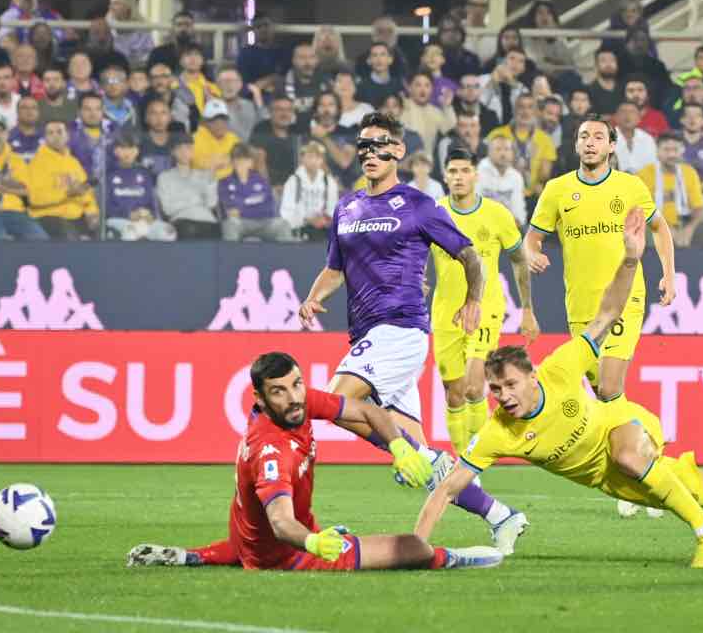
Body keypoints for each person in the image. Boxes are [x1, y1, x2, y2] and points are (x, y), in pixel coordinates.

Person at [425, 207, 703, 569]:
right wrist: (417, 543)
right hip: (612, 480)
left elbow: (606, 314)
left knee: (627, 452)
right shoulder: (499, 432)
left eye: (507, 385)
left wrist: (631, 258)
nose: (500, 396)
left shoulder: (561, 368)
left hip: (625, 426)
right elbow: (448, 488)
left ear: (532, 376)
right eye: (495, 389)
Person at [298, 112, 528, 554]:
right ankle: (501, 515)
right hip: (367, 331)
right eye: (362, 145)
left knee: (334, 398)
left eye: (379, 144)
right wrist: (313, 297)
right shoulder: (346, 207)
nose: (369, 153)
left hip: (400, 327)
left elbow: (469, 255)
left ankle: (312, 514)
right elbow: (335, 269)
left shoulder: (420, 205)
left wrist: (473, 300)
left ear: (398, 151)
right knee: (422, 458)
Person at [126, 351, 503, 572]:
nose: (293, 398)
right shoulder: (270, 450)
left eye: (296, 384)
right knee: (410, 547)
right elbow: (280, 522)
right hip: (287, 553)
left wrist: (399, 446)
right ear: (258, 398)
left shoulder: (299, 405)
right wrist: (312, 543)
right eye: (279, 392)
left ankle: (194, 557)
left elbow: (367, 411)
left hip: (248, 540)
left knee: (263, 537)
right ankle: (450, 558)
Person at [525, 113, 677, 409]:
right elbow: (532, 237)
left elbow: (660, 227)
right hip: (581, 303)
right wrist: (533, 253)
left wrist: (668, 274)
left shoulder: (630, 186)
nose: (590, 143)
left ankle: (640, 448)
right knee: (601, 394)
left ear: (611, 147)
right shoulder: (557, 189)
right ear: (576, 145)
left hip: (624, 300)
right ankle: (629, 446)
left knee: (609, 387)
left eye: (598, 137)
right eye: (584, 137)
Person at [431, 147, 538, 456]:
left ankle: (472, 463)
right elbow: (411, 254)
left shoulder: (497, 214)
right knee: (454, 395)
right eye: (453, 171)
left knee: (474, 387)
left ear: (476, 175)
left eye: (465, 171)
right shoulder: (435, 214)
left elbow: (519, 260)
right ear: (445, 176)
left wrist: (527, 309)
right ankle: (462, 459)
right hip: (445, 313)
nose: (459, 177)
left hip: (485, 309)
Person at [27, 119, 98, 240]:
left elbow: (87, 193)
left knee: (104, 230)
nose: (56, 136)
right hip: (49, 216)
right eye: (51, 133)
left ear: (67, 136)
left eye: (59, 132)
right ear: (45, 138)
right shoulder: (37, 163)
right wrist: (66, 194)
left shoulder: (73, 162)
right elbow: (34, 198)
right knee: (68, 235)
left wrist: (91, 211)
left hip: (76, 215)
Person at [637, 132, 703, 248]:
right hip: (654, 224)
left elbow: (698, 207)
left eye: (675, 149)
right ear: (657, 152)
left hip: (684, 222)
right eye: (666, 150)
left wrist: (689, 229)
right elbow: (642, 210)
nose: (671, 154)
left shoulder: (689, 172)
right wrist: (667, 229)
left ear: (681, 151)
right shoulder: (644, 174)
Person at [104, 133, 176, 241]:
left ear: (137, 151)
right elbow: (106, 208)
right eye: (123, 148)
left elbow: (152, 204)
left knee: (168, 232)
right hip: (119, 220)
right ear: (115, 151)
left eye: (132, 148)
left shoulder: (145, 174)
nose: (128, 152)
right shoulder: (108, 175)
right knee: (131, 233)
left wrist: (150, 215)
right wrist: (128, 215)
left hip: (143, 220)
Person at [220, 143, 291, 242]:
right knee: (230, 224)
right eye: (237, 159)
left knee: (282, 224)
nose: (241, 163)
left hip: (264, 221)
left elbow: (269, 208)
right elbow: (231, 211)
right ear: (232, 161)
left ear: (251, 162)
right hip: (241, 223)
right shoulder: (225, 182)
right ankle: (231, 256)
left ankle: (285, 257)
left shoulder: (260, 180)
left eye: (245, 159)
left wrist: (243, 205)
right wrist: (254, 204)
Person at [157, 137, 220, 239]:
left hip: (207, 220)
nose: (184, 152)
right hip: (182, 220)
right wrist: (195, 201)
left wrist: (211, 179)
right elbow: (167, 209)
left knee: (217, 231)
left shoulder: (204, 175)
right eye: (179, 149)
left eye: (188, 148)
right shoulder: (164, 177)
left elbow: (211, 204)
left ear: (193, 151)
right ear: (173, 152)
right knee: (189, 229)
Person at [279, 139, 339, 241]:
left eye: (318, 157)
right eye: (310, 157)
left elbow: (333, 209)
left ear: (322, 160)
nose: (314, 161)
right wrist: (307, 220)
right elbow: (286, 213)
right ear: (302, 158)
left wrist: (325, 219)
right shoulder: (293, 181)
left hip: (323, 229)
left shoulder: (328, 182)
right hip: (299, 229)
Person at [106, 0, 154, 67]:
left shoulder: (143, 30)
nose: (111, 7)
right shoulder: (106, 27)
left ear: (128, 5)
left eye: (116, 3)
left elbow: (148, 57)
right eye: (111, 3)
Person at [612, 100, 657, 174]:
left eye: (632, 112)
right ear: (615, 117)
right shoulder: (606, 138)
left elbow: (653, 165)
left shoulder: (647, 139)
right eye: (623, 112)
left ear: (639, 118)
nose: (627, 115)